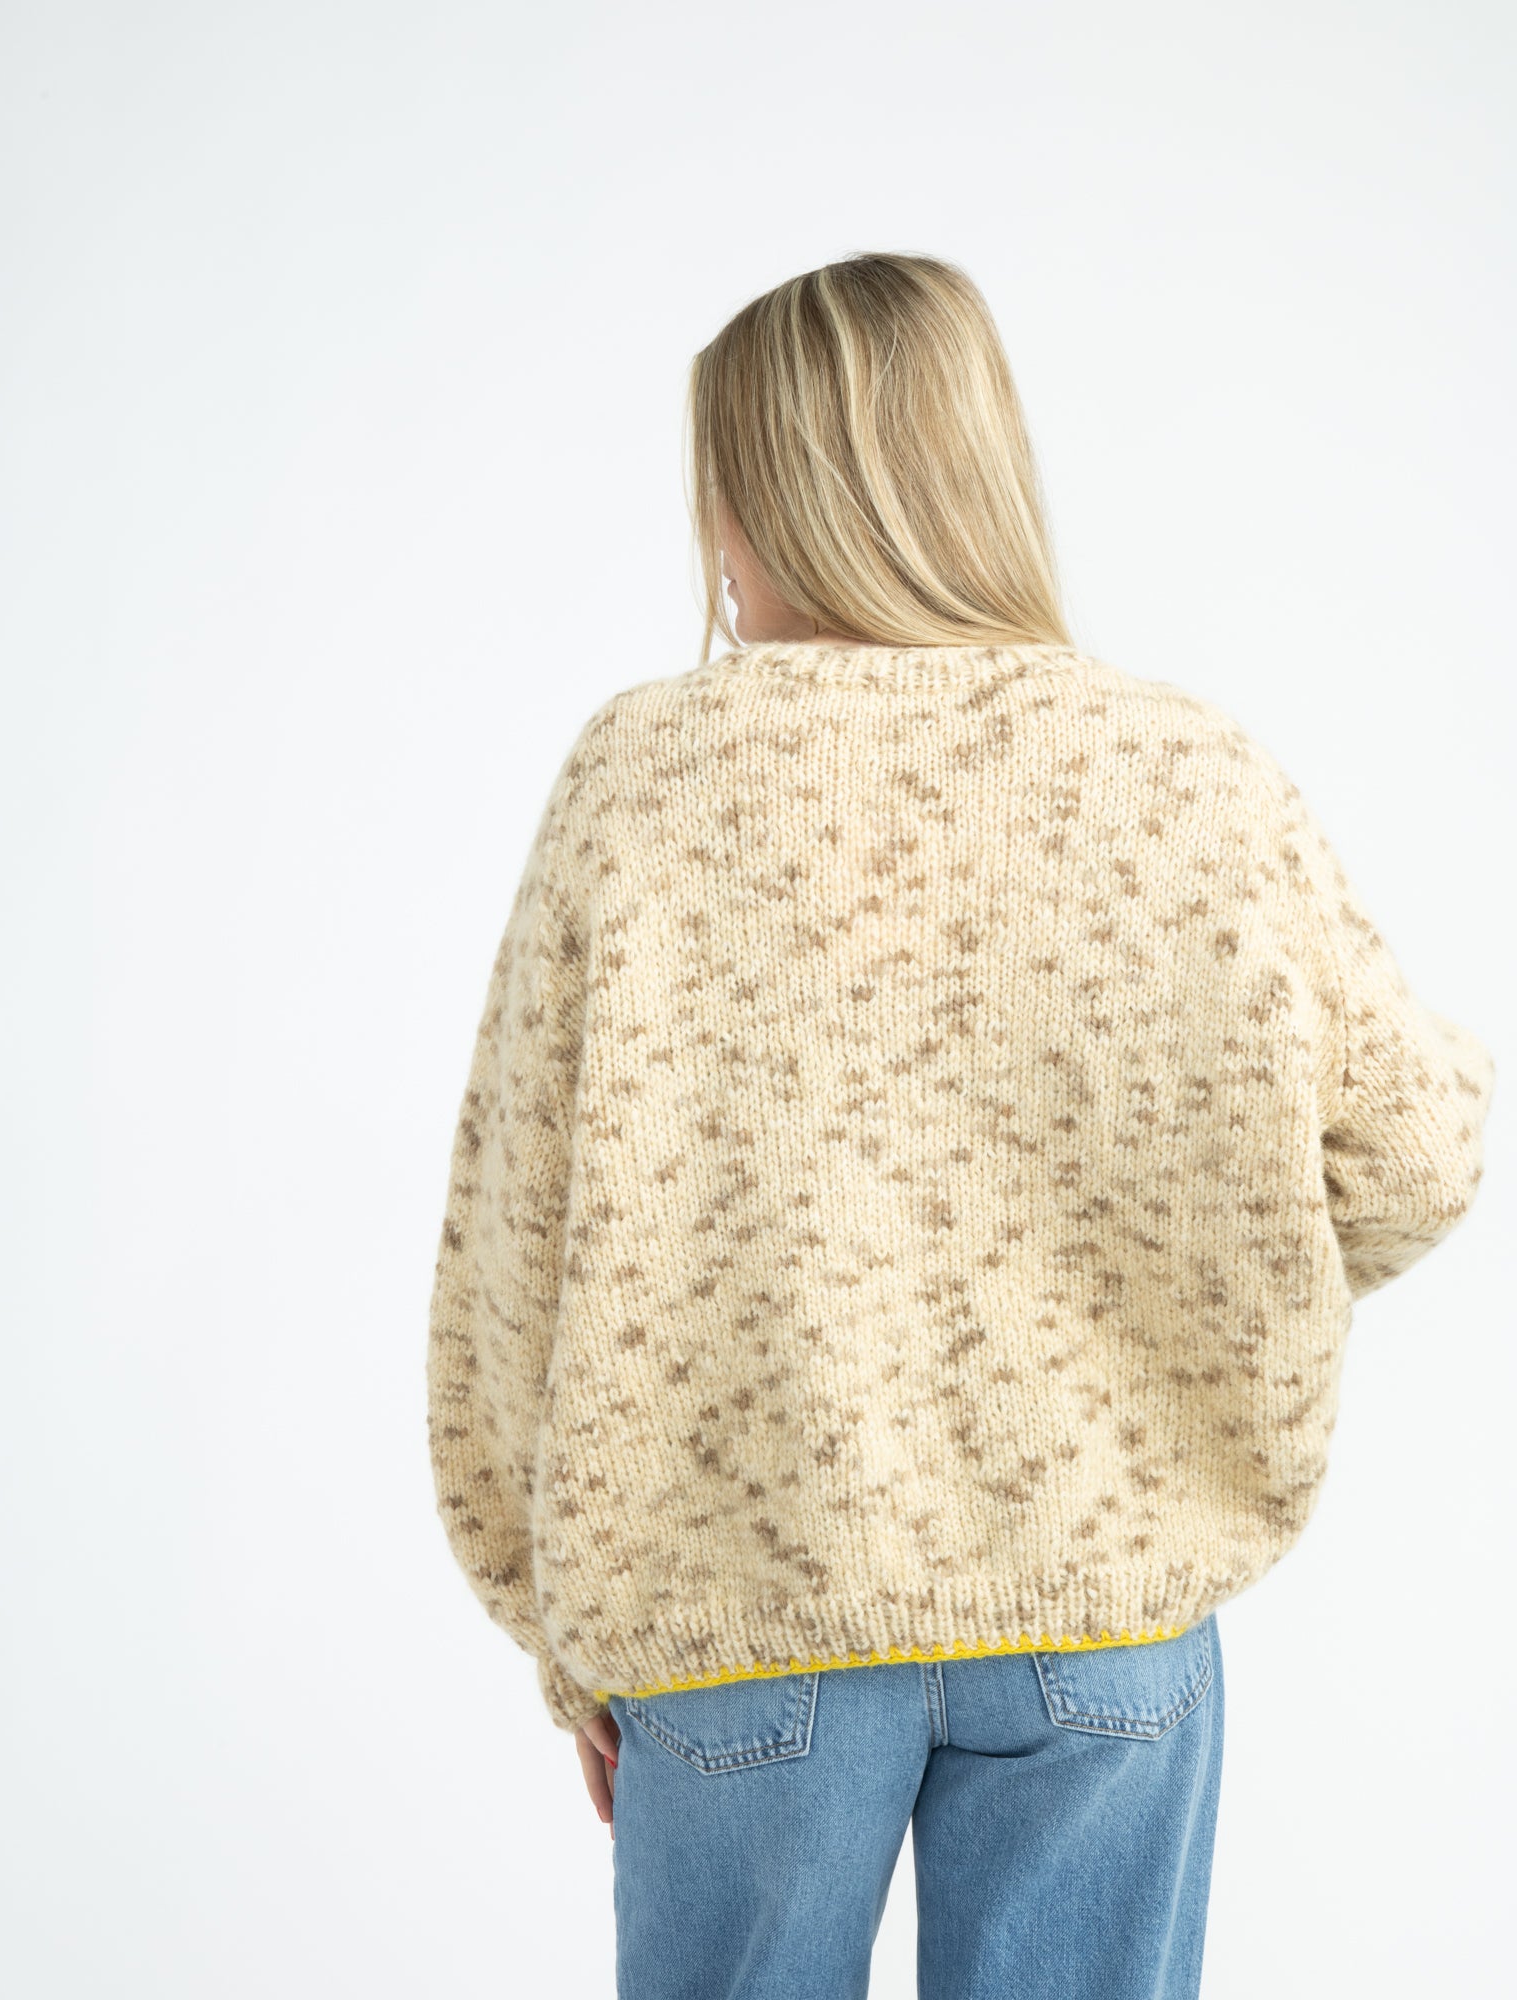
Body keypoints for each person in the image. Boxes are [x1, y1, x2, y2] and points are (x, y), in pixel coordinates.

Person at [424, 253, 1494, 2000]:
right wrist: (1171, 1303)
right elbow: (1415, 1151)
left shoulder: (645, 779)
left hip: (736, 1629)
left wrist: (561, 1623)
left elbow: (511, 1256)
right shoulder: (1184, 771)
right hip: (1106, 1606)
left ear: (763, 497)